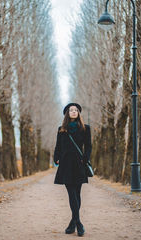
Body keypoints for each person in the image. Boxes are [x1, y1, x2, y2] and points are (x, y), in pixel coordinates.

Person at [53, 102, 92, 237]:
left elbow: (88, 146)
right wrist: (56, 158)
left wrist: (85, 159)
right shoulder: (61, 129)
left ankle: (72, 223)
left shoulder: (85, 128)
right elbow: (58, 146)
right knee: (71, 193)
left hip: (79, 164)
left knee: (77, 193)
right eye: (71, 110)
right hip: (65, 164)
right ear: (67, 113)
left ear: (78, 113)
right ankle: (79, 223)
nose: (74, 112)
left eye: (76, 110)